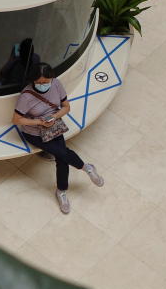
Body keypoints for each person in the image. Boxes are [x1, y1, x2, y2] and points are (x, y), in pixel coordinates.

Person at [12, 63, 103, 215]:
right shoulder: (26, 96)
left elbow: (66, 107)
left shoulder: (56, 84)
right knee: (61, 154)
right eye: (39, 82)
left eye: (45, 82)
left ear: (51, 78)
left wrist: (53, 117)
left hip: (54, 127)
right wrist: (39, 122)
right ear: (33, 80)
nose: (42, 85)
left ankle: (61, 191)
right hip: (34, 133)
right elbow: (16, 119)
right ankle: (86, 167)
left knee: (61, 157)